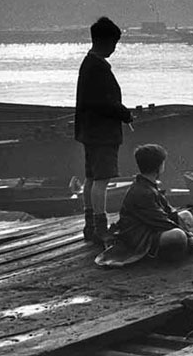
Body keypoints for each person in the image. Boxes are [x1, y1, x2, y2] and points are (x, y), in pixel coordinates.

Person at [75, 16, 133, 244]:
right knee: (102, 180)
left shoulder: (88, 64)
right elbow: (105, 103)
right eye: (114, 43)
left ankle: (90, 226)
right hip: (102, 134)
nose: (114, 48)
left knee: (91, 178)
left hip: (89, 131)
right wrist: (125, 114)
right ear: (106, 42)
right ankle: (100, 227)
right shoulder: (98, 67)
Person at [113, 144, 193, 261]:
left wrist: (188, 232)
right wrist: (187, 234)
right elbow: (160, 220)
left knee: (186, 216)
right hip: (139, 236)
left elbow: (168, 211)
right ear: (158, 166)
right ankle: (169, 251)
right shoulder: (142, 192)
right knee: (178, 235)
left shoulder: (148, 184)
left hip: (151, 226)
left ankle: (184, 245)